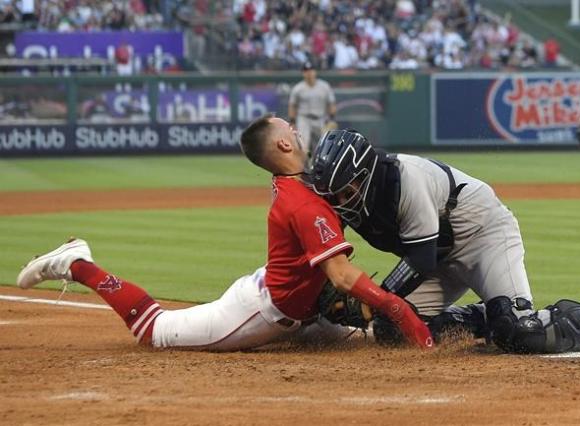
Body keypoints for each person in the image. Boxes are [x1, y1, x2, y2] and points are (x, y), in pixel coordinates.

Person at [16, 115, 433, 352]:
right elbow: (341, 276)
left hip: (299, 308)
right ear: (283, 147)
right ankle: (78, 262)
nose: (294, 127)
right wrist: (399, 308)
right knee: (154, 331)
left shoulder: (313, 182)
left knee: (372, 337)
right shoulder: (302, 201)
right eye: (286, 126)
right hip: (262, 309)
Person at [305, 128, 580, 353]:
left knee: (522, 333)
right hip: (437, 257)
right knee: (392, 330)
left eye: (345, 192)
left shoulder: (405, 179)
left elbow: (419, 258)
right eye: (331, 196)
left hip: (483, 235)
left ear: (365, 175)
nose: (339, 202)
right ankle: (484, 317)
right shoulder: (344, 199)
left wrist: (372, 299)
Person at [288, 61, 337, 155]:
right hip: (304, 119)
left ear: (315, 72)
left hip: (320, 119)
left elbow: (331, 103)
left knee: (323, 147)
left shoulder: (324, 86)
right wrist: (293, 122)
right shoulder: (298, 88)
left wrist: (332, 119)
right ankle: (303, 168)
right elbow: (292, 105)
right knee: (303, 145)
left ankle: (317, 168)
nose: (309, 73)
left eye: (311, 70)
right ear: (303, 73)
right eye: (306, 70)